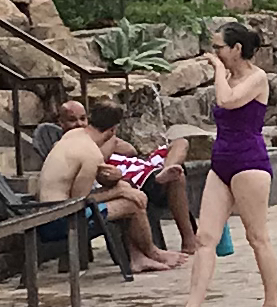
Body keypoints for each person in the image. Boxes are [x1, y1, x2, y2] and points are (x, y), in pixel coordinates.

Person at [165, 26, 277, 307]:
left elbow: (227, 101)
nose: (214, 52)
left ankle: (272, 304)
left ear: (237, 49)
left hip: (249, 162)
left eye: (219, 47)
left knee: (257, 237)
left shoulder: (257, 78)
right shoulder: (228, 78)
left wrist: (217, 70)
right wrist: (221, 71)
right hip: (222, 163)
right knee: (205, 237)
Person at [37, 95, 174, 275]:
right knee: (131, 203)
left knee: (129, 193)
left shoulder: (73, 135)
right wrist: (119, 191)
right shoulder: (91, 154)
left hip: (47, 211)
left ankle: (139, 257)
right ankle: (151, 253)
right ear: (112, 131)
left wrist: (116, 184)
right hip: (59, 220)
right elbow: (79, 201)